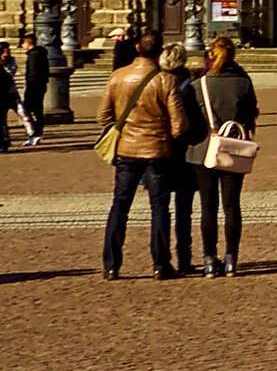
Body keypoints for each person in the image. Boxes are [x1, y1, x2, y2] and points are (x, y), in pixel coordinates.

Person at [95, 36, 183, 280]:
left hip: (126, 151)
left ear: (137, 49)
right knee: (159, 208)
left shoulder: (118, 76)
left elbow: (103, 116)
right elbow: (179, 124)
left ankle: (111, 264)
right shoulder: (166, 80)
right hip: (157, 151)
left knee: (120, 206)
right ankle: (160, 264)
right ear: (160, 52)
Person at [178, 36, 259, 277]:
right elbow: (251, 115)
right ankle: (231, 258)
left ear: (210, 56)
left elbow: (189, 123)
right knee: (232, 206)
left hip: (204, 151)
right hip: (234, 148)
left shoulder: (197, 86)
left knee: (208, 207)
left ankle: (209, 260)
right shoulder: (244, 84)